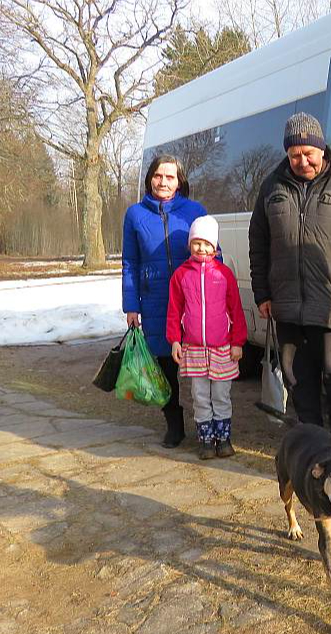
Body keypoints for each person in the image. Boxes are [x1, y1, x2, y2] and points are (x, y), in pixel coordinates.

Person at [249, 112, 331, 445]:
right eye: (294, 154)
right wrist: (262, 292)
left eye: (308, 153)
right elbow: (258, 243)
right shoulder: (271, 186)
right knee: (298, 381)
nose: (302, 161)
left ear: (322, 148)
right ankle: (313, 446)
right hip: (288, 307)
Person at [122, 155, 208, 448]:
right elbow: (130, 262)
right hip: (155, 299)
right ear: (150, 179)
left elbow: (213, 253)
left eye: (170, 177)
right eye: (158, 176)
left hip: (193, 297)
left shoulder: (195, 211)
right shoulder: (135, 215)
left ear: (179, 181)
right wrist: (131, 305)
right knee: (164, 364)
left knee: (200, 363)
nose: (163, 182)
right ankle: (174, 423)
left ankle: (208, 425)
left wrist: (216, 292)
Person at [166, 216, 247, 459]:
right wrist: (175, 340)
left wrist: (237, 342)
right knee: (200, 397)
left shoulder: (224, 274)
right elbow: (174, 310)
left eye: (206, 243)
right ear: (190, 245)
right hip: (194, 349)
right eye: (196, 243)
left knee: (221, 395)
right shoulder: (181, 275)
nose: (201, 248)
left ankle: (223, 439)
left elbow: (236, 309)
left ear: (215, 246)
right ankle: (206, 442)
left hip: (222, 348)